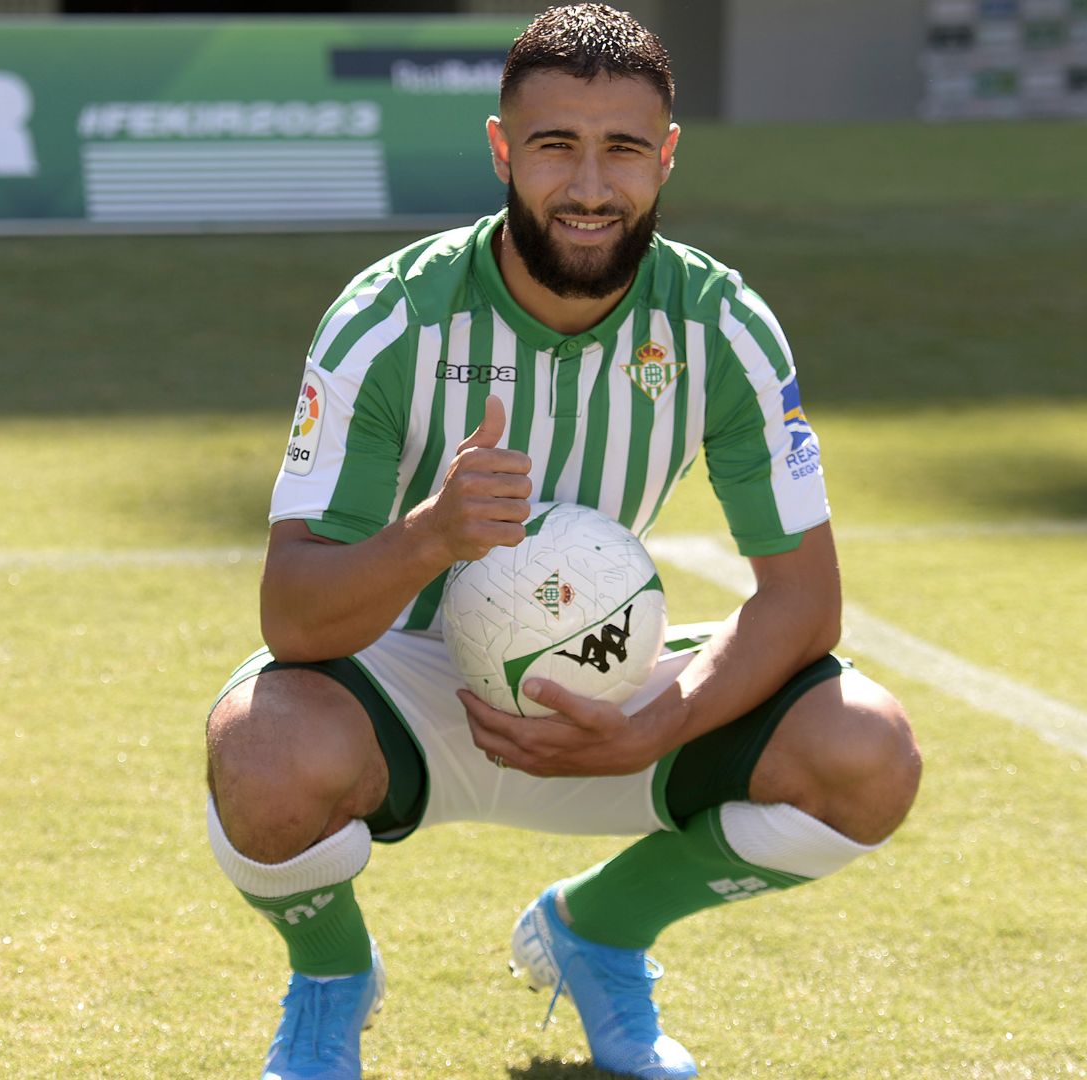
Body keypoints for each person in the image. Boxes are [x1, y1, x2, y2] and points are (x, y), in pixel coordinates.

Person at [204, 6, 922, 1078]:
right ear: (503, 149)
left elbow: (801, 606)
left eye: (623, 149)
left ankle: (601, 931)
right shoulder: (392, 320)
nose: (590, 186)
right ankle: (330, 980)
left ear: (666, 158)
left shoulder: (719, 327)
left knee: (868, 753)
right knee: (259, 753)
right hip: (403, 684)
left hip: (609, 681)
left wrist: (653, 726)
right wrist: (432, 536)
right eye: (555, 146)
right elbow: (292, 617)